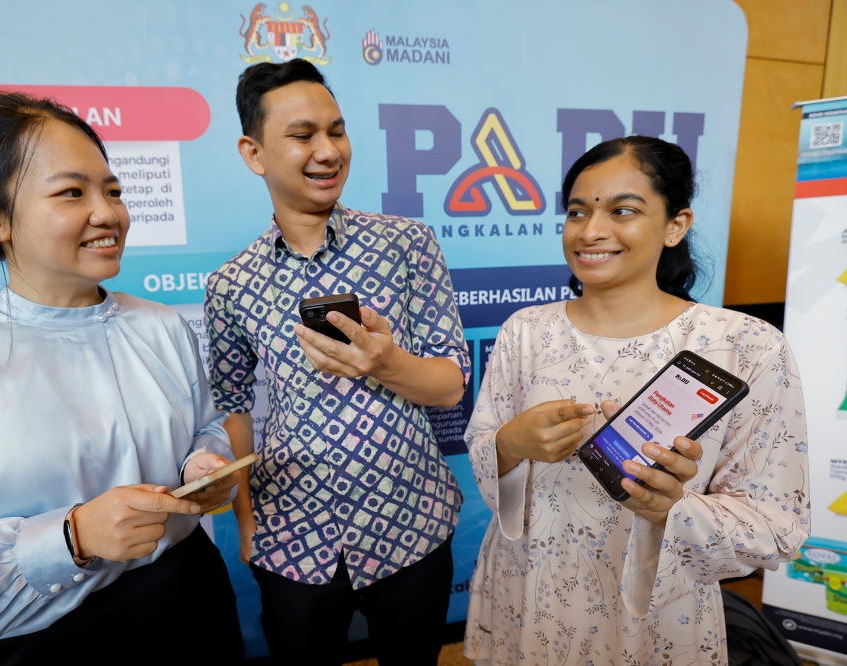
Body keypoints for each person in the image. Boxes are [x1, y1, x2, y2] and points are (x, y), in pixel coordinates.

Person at [0, 93, 245, 663]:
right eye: (71, 193)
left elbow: (204, 427)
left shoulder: (162, 327)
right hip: (42, 643)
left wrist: (203, 466)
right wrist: (71, 538)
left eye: (112, 190)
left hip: (189, 599)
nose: (107, 213)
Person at [463, 136, 809, 665]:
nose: (591, 231)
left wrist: (675, 506)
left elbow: (775, 523)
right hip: (529, 588)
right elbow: (488, 447)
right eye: (578, 211)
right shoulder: (526, 332)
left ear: (677, 225)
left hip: (656, 610)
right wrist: (510, 444)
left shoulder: (744, 345)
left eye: (622, 210)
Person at [205, 59, 470, 666]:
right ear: (254, 152)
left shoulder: (408, 243)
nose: (328, 151)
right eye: (303, 136)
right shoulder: (230, 283)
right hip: (293, 534)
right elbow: (232, 406)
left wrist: (385, 361)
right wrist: (247, 520)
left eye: (337, 130)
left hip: (413, 520)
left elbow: (451, 384)